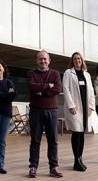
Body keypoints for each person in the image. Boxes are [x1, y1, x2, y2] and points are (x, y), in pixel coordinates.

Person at [27, 50, 63, 178]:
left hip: (52, 110)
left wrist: (42, 92)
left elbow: (58, 89)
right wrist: (48, 86)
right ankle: (33, 167)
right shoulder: (31, 73)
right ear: (37, 60)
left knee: (53, 140)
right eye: (40, 59)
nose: (43, 61)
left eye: (45, 59)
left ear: (49, 60)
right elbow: (32, 88)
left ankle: (53, 167)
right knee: (35, 140)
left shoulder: (55, 74)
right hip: (36, 110)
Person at [62, 52, 95, 172]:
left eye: (79, 58)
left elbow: (91, 91)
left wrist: (91, 106)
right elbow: (65, 89)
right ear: (72, 61)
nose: (77, 60)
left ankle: (80, 158)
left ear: (82, 60)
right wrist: (71, 105)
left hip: (85, 107)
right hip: (75, 108)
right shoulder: (68, 73)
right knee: (76, 133)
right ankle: (76, 160)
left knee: (81, 134)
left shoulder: (86, 74)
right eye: (75, 59)